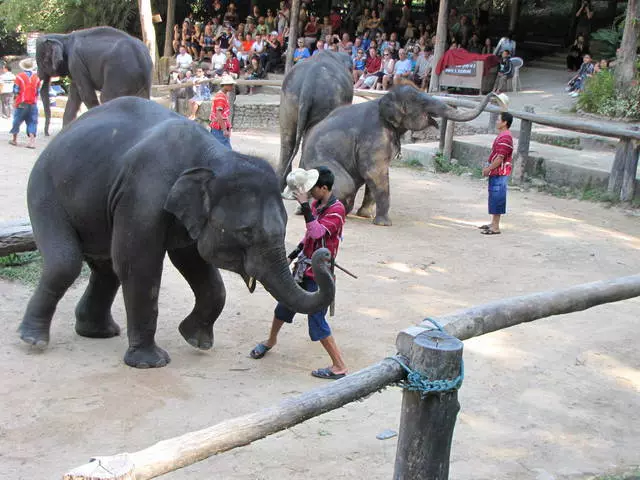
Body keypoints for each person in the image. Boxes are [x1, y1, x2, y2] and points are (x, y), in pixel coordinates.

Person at [249, 167, 348, 380]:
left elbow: (317, 232)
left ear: (324, 188)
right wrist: (293, 255)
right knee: (284, 304)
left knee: (316, 319)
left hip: (320, 276)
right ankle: (271, 341)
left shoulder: (337, 210)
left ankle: (339, 366)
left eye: (313, 189)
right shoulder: (317, 205)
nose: (310, 193)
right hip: (305, 269)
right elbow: (308, 239)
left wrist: (304, 206)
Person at [479, 112, 514, 235]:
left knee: (497, 197)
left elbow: (500, 158)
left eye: (499, 119)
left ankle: (496, 227)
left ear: (505, 122)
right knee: (494, 197)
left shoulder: (505, 137)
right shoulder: (504, 135)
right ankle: (493, 223)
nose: (497, 121)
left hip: (499, 171)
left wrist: (489, 168)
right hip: (497, 171)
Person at [9, 58, 41, 149]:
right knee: (32, 121)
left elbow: (16, 90)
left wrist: (15, 101)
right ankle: (32, 142)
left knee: (17, 120)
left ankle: (14, 140)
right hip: (33, 103)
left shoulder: (19, 77)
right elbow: (37, 92)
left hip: (21, 103)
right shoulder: (37, 78)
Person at [209, 75, 235, 149]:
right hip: (219, 128)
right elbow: (219, 114)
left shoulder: (223, 95)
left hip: (219, 127)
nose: (232, 86)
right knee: (226, 151)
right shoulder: (221, 97)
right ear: (225, 85)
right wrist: (224, 130)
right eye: (230, 84)